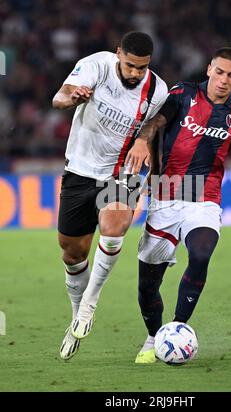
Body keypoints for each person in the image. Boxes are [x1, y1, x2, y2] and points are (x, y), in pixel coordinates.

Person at [134, 47, 231, 363]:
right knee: (147, 286)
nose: (224, 80)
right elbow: (155, 123)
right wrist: (142, 141)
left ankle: (178, 328)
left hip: (203, 198)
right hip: (164, 196)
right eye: (219, 72)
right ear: (209, 69)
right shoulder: (182, 94)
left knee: (201, 253)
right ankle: (154, 336)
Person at [52, 31, 168, 360]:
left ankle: (89, 304)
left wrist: (145, 138)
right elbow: (57, 98)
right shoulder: (96, 66)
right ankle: (77, 313)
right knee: (72, 253)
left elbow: (157, 120)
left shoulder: (156, 89)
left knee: (115, 228)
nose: (135, 73)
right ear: (118, 53)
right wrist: (72, 98)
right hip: (79, 170)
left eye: (142, 68)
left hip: (121, 172)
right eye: (130, 65)